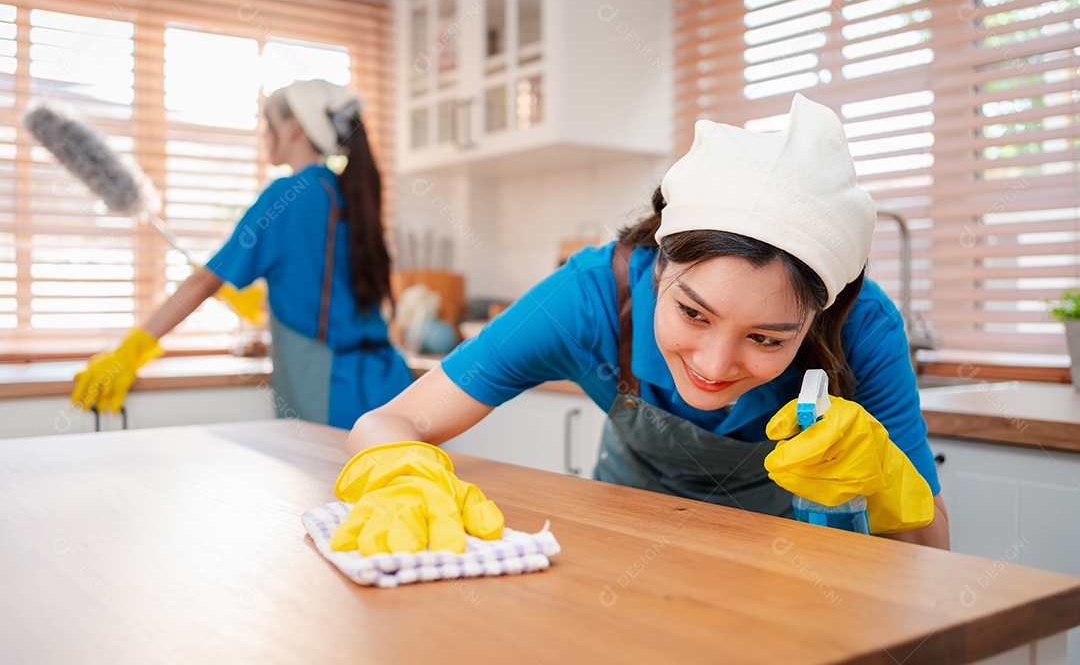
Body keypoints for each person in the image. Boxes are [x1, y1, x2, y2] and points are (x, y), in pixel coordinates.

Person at [331, 94, 950, 556]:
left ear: (820, 314)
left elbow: (934, 556)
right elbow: (389, 421)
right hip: (618, 562)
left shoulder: (864, 328)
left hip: (787, 573)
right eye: (692, 313)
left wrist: (889, 488)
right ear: (659, 263)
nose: (713, 365)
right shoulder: (589, 299)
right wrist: (401, 475)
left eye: (766, 338)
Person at [72, 79, 414, 429]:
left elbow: (203, 283)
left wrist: (130, 352)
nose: (263, 134)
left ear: (295, 127)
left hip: (333, 397)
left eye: (268, 124)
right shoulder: (345, 191)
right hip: (392, 388)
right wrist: (263, 303)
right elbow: (322, 292)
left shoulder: (289, 194)